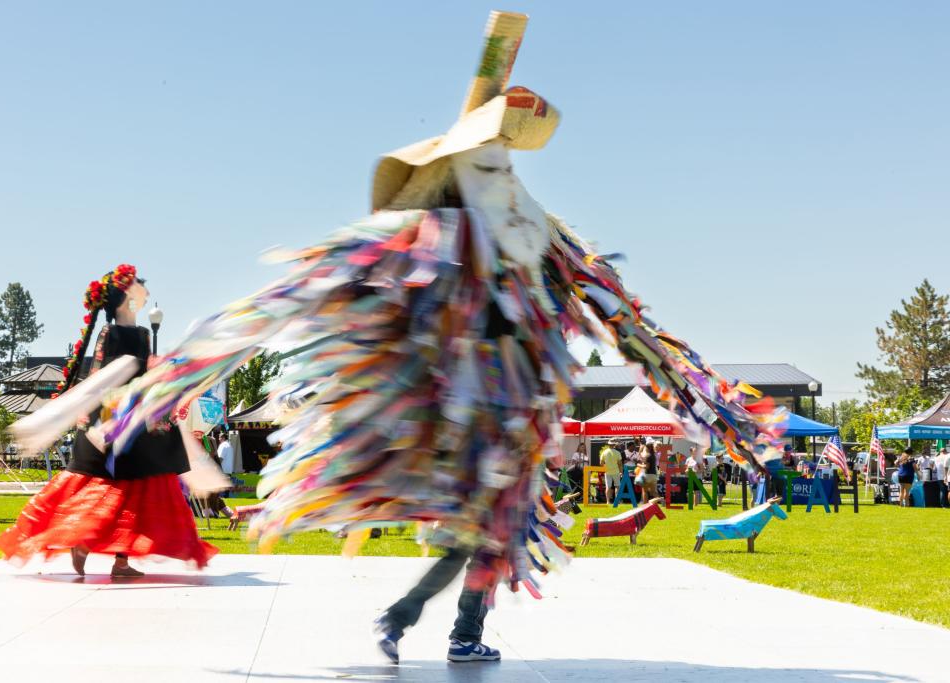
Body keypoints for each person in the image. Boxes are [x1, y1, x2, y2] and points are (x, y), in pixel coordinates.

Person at [99, 11, 783, 664]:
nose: (506, 177)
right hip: (460, 413)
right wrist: (177, 378)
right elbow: (292, 301)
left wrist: (711, 403)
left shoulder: (540, 235)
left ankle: (441, 623)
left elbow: (629, 326)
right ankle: (425, 620)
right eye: (487, 165)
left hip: (513, 419)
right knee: (486, 532)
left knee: (492, 532)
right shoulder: (436, 241)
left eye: (507, 164)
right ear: (455, 178)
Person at [0, 264, 218, 576]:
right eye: (140, 286)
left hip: (139, 419)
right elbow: (102, 374)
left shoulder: (141, 333)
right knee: (115, 489)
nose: (146, 290)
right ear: (125, 296)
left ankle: (120, 560)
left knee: (136, 491)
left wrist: (156, 373)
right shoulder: (110, 333)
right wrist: (144, 369)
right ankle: (85, 542)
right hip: (113, 421)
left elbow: (140, 373)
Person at [601, 439, 622, 504]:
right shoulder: (617, 453)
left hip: (607, 472)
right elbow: (620, 463)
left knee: (608, 487)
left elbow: (601, 463)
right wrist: (621, 471)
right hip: (616, 471)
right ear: (614, 445)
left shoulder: (604, 452)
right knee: (617, 486)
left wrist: (606, 467)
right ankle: (617, 501)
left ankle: (608, 501)